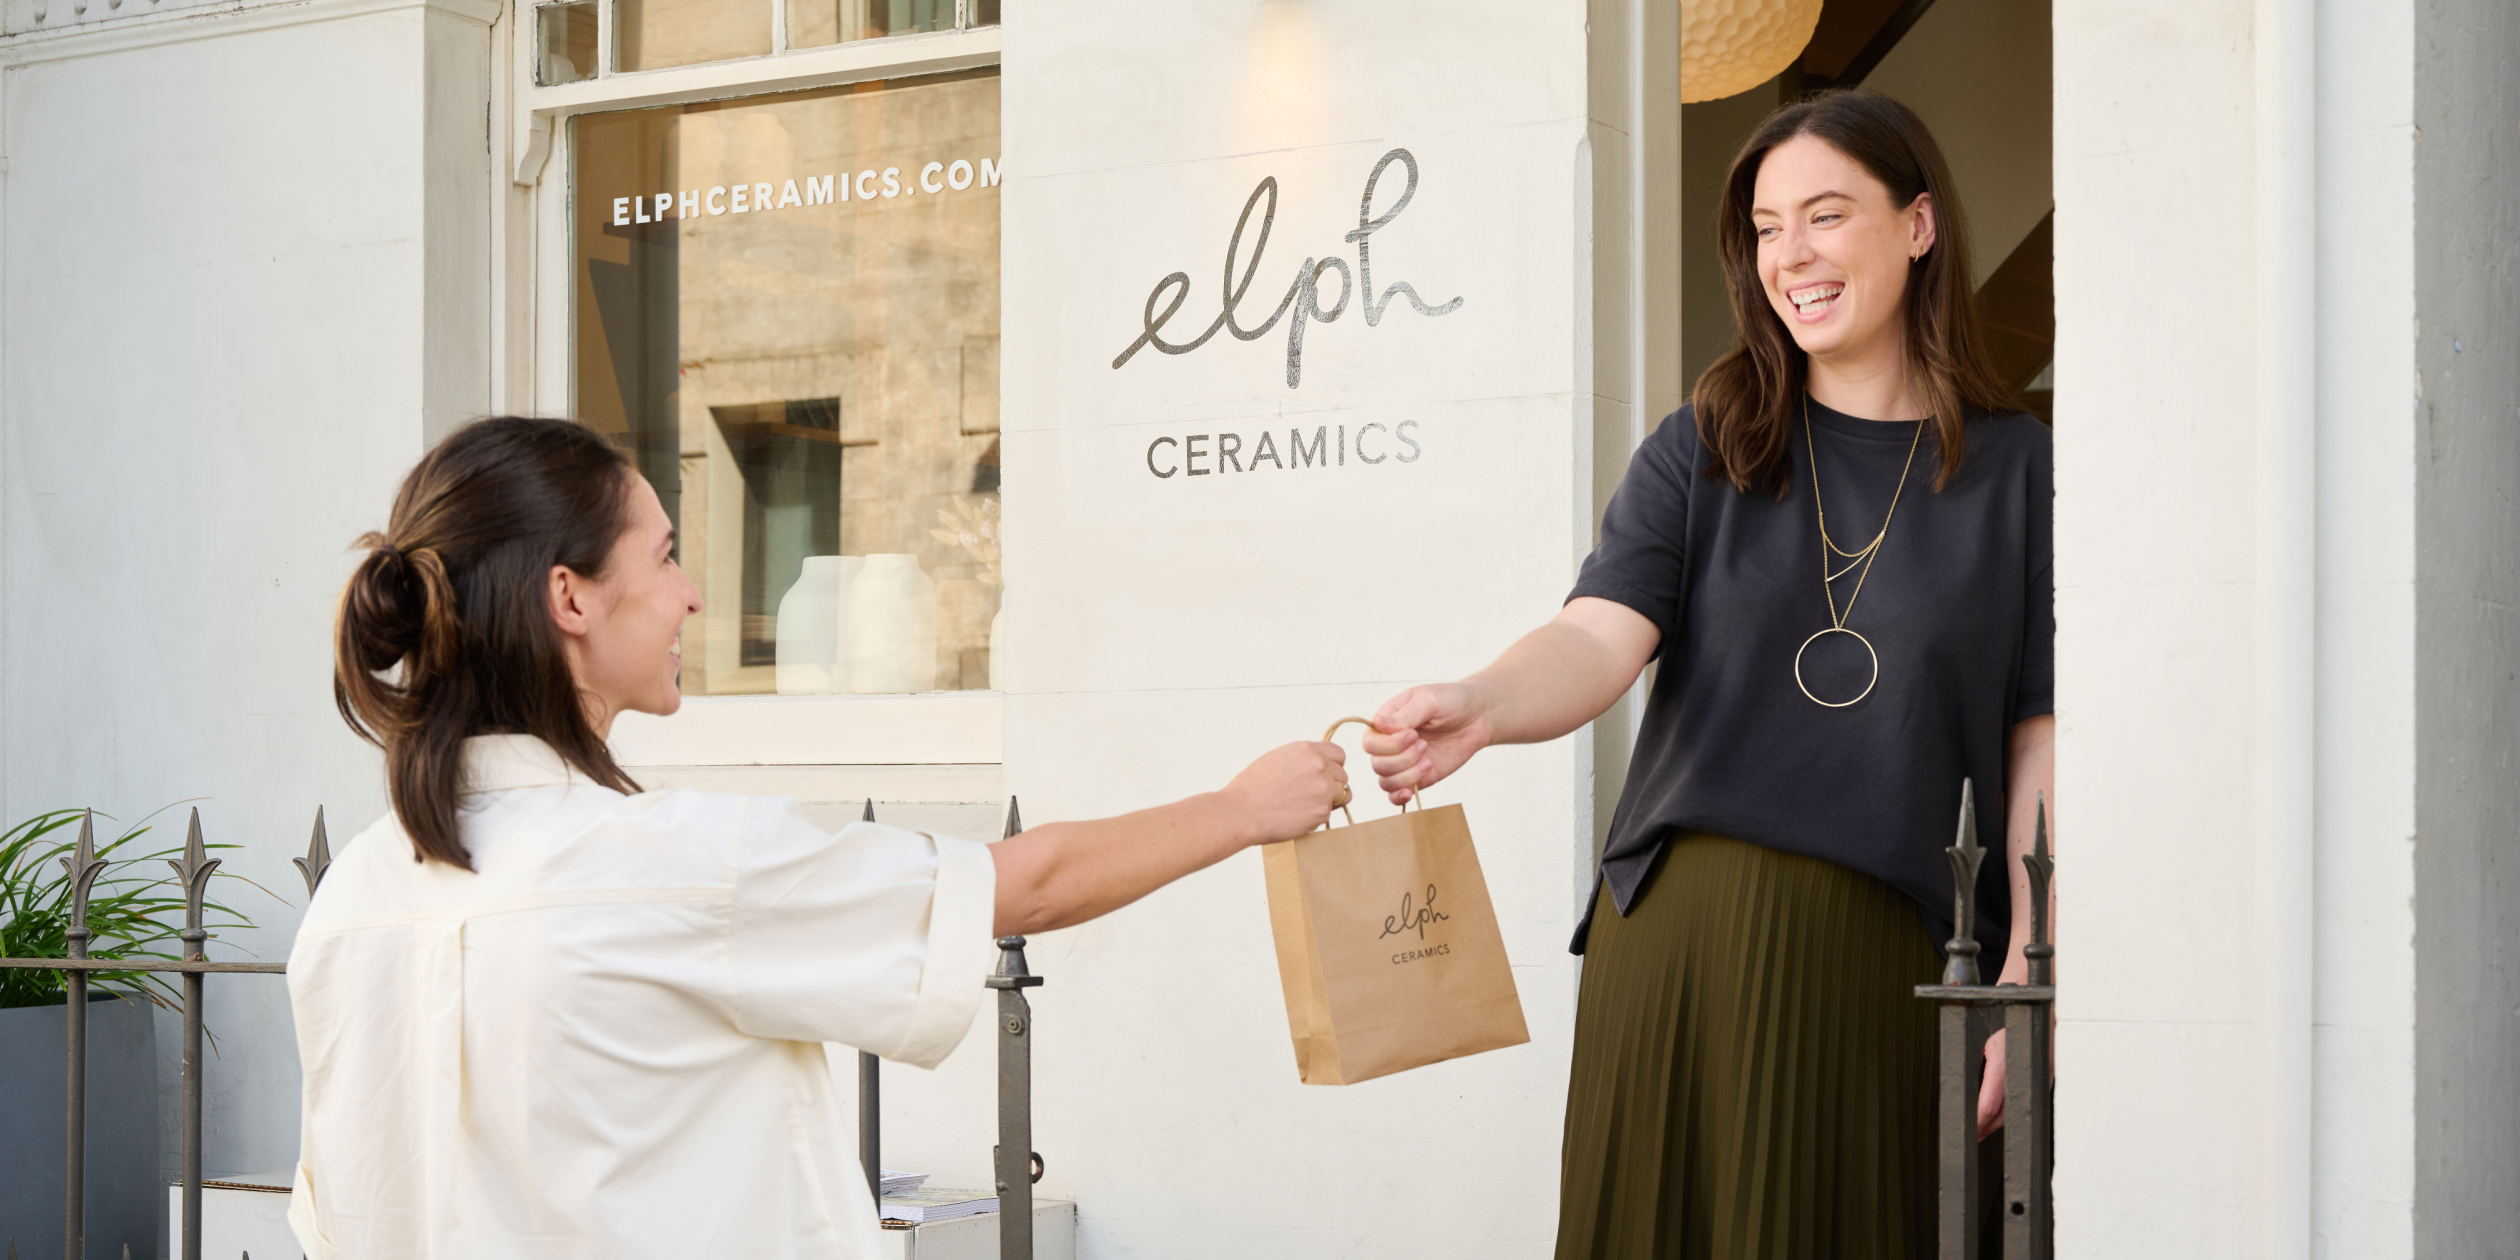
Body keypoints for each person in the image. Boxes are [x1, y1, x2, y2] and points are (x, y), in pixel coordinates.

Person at [287, 416, 1349, 1260]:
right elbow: (1024, 885)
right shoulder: (673, 865)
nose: (692, 593)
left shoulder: (352, 904)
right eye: (661, 558)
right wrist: (1248, 807)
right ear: (568, 595)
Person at [1363, 90, 2054, 1258]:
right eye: (1768, 227)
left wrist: (2031, 977)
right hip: (1676, 946)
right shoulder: (1710, 440)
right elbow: (1593, 638)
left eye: (1826, 215)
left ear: (1919, 225)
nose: (1792, 256)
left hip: (1893, 966)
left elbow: (2039, 744)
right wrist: (1482, 704)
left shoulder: (2021, 471)